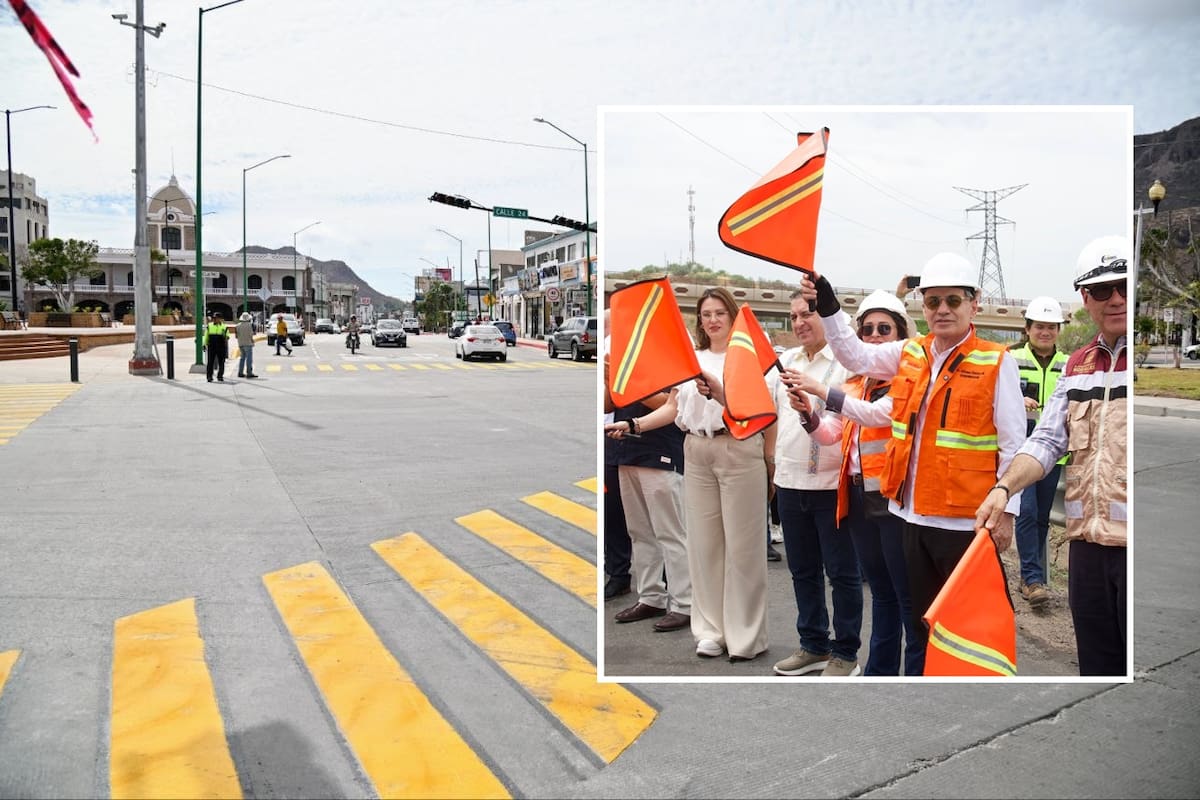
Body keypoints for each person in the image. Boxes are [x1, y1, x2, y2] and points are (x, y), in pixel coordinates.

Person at [800, 253, 1025, 675]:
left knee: (969, 623)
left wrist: (1007, 513)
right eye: (934, 301)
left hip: (965, 523)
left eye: (953, 301)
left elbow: (1014, 445)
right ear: (924, 306)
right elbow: (855, 356)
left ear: (973, 304)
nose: (943, 310)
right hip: (911, 517)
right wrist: (829, 306)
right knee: (923, 624)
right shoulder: (911, 352)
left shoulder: (997, 361)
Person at [977, 236, 1129, 677]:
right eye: (1102, 290)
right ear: (1085, 299)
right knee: (1099, 670)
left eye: (1124, 285)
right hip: (1086, 546)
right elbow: (1045, 441)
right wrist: (1004, 488)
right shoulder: (1078, 364)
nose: (1115, 298)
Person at [605, 286, 772, 662]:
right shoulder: (692, 359)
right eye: (706, 314)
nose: (712, 320)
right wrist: (633, 424)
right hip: (696, 449)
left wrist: (719, 391)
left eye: (719, 313)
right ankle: (710, 629)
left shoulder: (748, 358)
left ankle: (745, 635)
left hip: (738, 447)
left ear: (732, 316)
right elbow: (672, 409)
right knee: (705, 546)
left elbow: (757, 409)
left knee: (743, 549)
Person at [784, 289, 924, 676]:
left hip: (896, 500)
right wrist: (808, 416)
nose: (875, 336)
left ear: (901, 335)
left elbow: (877, 416)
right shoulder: (855, 383)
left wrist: (820, 391)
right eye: (867, 330)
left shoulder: (909, 379)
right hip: (861, 499)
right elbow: (832, 432)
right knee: (881, 593)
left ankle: (916, 674)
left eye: (884, 329)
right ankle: (880, 671)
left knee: (906, 597)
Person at [767, 293, 861, 677]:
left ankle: (846, 652)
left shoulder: (845, 365)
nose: (800, 322)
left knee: (841, 572)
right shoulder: (784, 363)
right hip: (789, 482)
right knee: (802, 570)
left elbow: (843, 425)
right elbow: (769, 416)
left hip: (831, 485)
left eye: (807, 314)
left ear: (826, 316)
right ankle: (813, 645)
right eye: (793, 316)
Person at [607, 385, 691, 633]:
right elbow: (607, 405)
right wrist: (612, 379)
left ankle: (684, 603)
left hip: (660, 452)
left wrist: (628, 383)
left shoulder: (667, 355)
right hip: (625, 450)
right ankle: (651, 597)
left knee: (671, 533)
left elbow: (672, 406)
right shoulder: (626, 355)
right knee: (640, 532)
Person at [1009, 296, 1070, 608]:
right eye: (1039, 326)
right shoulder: (1010, 359)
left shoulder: (1070, 365)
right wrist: (1016, 400)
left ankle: (1031, 577)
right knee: (1028, 511)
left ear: (1058, 330)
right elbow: (994, 398)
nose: (1045, 332)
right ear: (1027, 329)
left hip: (1055, 453)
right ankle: (1033, 580)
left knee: (1042, 517)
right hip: (1021, 450)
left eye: (1051, 327)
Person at [203, 312, 229, 383]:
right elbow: (206, 336)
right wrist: (204, 344)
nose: (214, 319)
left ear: (220, 319)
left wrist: (225, 336)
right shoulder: (209, 326)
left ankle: (220, 376)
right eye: (213, 318)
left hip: (221, 346)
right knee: (210, 362)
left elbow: (227, 337)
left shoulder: (224, 327)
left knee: (221, 362)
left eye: (216, 318)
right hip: (212, 346)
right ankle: (209, 377)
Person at [235, 311, 258, 379]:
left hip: (240, 343)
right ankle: (249, 372)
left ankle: (240, 372)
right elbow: (252, 334)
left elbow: (236, 336)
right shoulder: (250, 325)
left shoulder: (237, 325)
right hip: (248, 343)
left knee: (242, 358)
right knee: (249, 359)